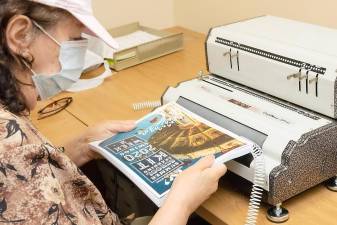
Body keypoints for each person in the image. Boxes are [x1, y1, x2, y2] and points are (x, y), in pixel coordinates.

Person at [0, 0, 227, 224]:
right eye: (71, 40)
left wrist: (82, 146)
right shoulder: (10, 149)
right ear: (20, 35)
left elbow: (31, 179)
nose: (68, 63)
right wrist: (181, 203)